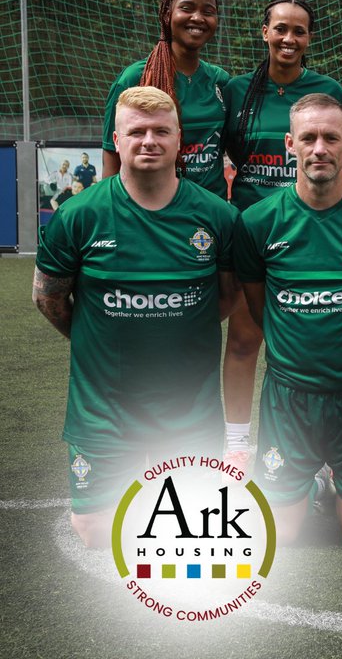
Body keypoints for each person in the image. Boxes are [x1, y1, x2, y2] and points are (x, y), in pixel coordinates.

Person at [33, 85, 238, 548]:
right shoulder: (78, 216)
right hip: (103, 407)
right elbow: (48, 299)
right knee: (95, 532)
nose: (149, 140)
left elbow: (227, 298)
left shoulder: (217, 217)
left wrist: (177, 326)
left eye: (161, 131)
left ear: (179, 139)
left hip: (188, 408)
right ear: (117, 139)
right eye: (137, 131)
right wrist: (98, 337)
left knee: (191, 529)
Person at [234, 94, 342, 546]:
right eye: (308, 138)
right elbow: (258, 305)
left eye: (331, 138)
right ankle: (311, 482)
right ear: (289, 144)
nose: (319, 149)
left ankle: (332, 477)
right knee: (281, 536)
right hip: (290, 397)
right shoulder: (258, 222)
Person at [219, 0, 342, 472]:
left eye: (299, 30)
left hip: (313, 232)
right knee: (243, 339)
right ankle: (236, 441)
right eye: (280, 29)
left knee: (316, 340)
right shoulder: (237, 90)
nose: (289, 38)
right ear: (265, 32)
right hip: (254, 232)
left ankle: (326, 442)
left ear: (309, 38)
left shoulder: (327, 89)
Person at [101, 0, 229, 196]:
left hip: (209, 209)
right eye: (187, 8)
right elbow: (112, 160)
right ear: (167, 15)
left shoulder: (220, 81)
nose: (198, 18)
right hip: (149, 207)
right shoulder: (135, 78)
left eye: (208, 12)